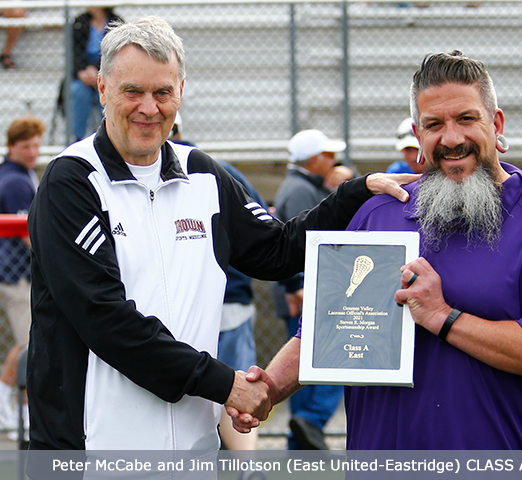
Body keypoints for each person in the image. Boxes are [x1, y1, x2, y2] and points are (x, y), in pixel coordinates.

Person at [25, 16, 417, 451]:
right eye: (132, 91)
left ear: (181, 91)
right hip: (89, 450)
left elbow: (276, 251)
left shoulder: (203, 174)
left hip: (194, 446)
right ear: (102, 89)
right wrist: (224, 384)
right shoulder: (72, 180)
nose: (149, 108)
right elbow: (103, 318)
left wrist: (353, 195)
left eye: (162, 92)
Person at [232, 51, 522, 460]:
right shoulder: (379, 213)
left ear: (497, 124)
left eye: (467, 119)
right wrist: (267, 387)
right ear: (419, 137)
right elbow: (329, 327)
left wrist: (443, 317)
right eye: (434, 125)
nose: (451, 138)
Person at [169, 112, 264, 451]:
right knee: (237, 390)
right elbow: (264, 233)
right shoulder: (221, 172)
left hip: (181, 312)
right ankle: (247, 469)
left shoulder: (205, 172)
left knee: (189, 397)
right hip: (228, 302)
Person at [272, 129, 350, 450]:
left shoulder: (299, 187)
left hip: (305, 292)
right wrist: (298, 286)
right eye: (329, 155)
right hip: (308, 294)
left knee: (304, 374)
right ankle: (311, 425)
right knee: (336, 360)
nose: (335, 161)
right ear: (315, 160)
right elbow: (297, 245)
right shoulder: (301, 192)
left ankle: (301, 443)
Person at [0, 116, 45, 435]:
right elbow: (28, 234)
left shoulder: (19, 173)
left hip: (18, 273)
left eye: (36, 145)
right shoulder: (14, 180)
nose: (33, 151)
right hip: (17, 276)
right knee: (29, 343)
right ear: (11, 147)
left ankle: (10, 405)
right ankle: (17, 411)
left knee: (24, 341)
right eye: (26, 146)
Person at [69, 7, 122, 141]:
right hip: (84, 74)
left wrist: (98, 72)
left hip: (108, 73)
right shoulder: (79, 21)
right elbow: (74, 52)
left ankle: (107, 138)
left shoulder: (117, 22)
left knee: (107, 94)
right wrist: (82, 72)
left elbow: (116, 55)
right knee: (78, 91)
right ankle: (78, 138)